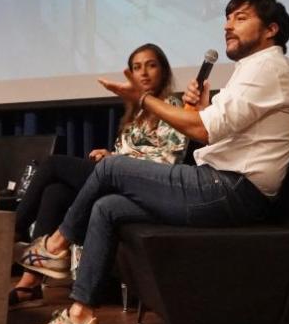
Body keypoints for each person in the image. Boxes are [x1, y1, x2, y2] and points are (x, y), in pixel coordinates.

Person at [16, 0, 289, 324]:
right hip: (222, 186)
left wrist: (143, 98)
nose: (228, 25)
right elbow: (212, 130)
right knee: (107, 208)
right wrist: (202, 108)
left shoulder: (267, 68)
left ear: (271, 30)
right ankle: (79, 317)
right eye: (227, 19)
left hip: (231, 191)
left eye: (240, 18)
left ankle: (56, 246)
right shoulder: (254, 70)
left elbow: (201, 132)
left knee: (111, 168)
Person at [9, 43, 186, 309]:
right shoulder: (134, 113)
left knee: (54, 164)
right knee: (55, 192)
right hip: (117, 179)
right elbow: (126, 152)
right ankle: (29, 284)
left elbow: (169, 158)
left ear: (163, 71)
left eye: (151, 65)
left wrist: (117, 160)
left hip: (149, 187)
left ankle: (11, 231)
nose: (144, 73)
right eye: (137, 68)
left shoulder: (173, 105)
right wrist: (110, 153)